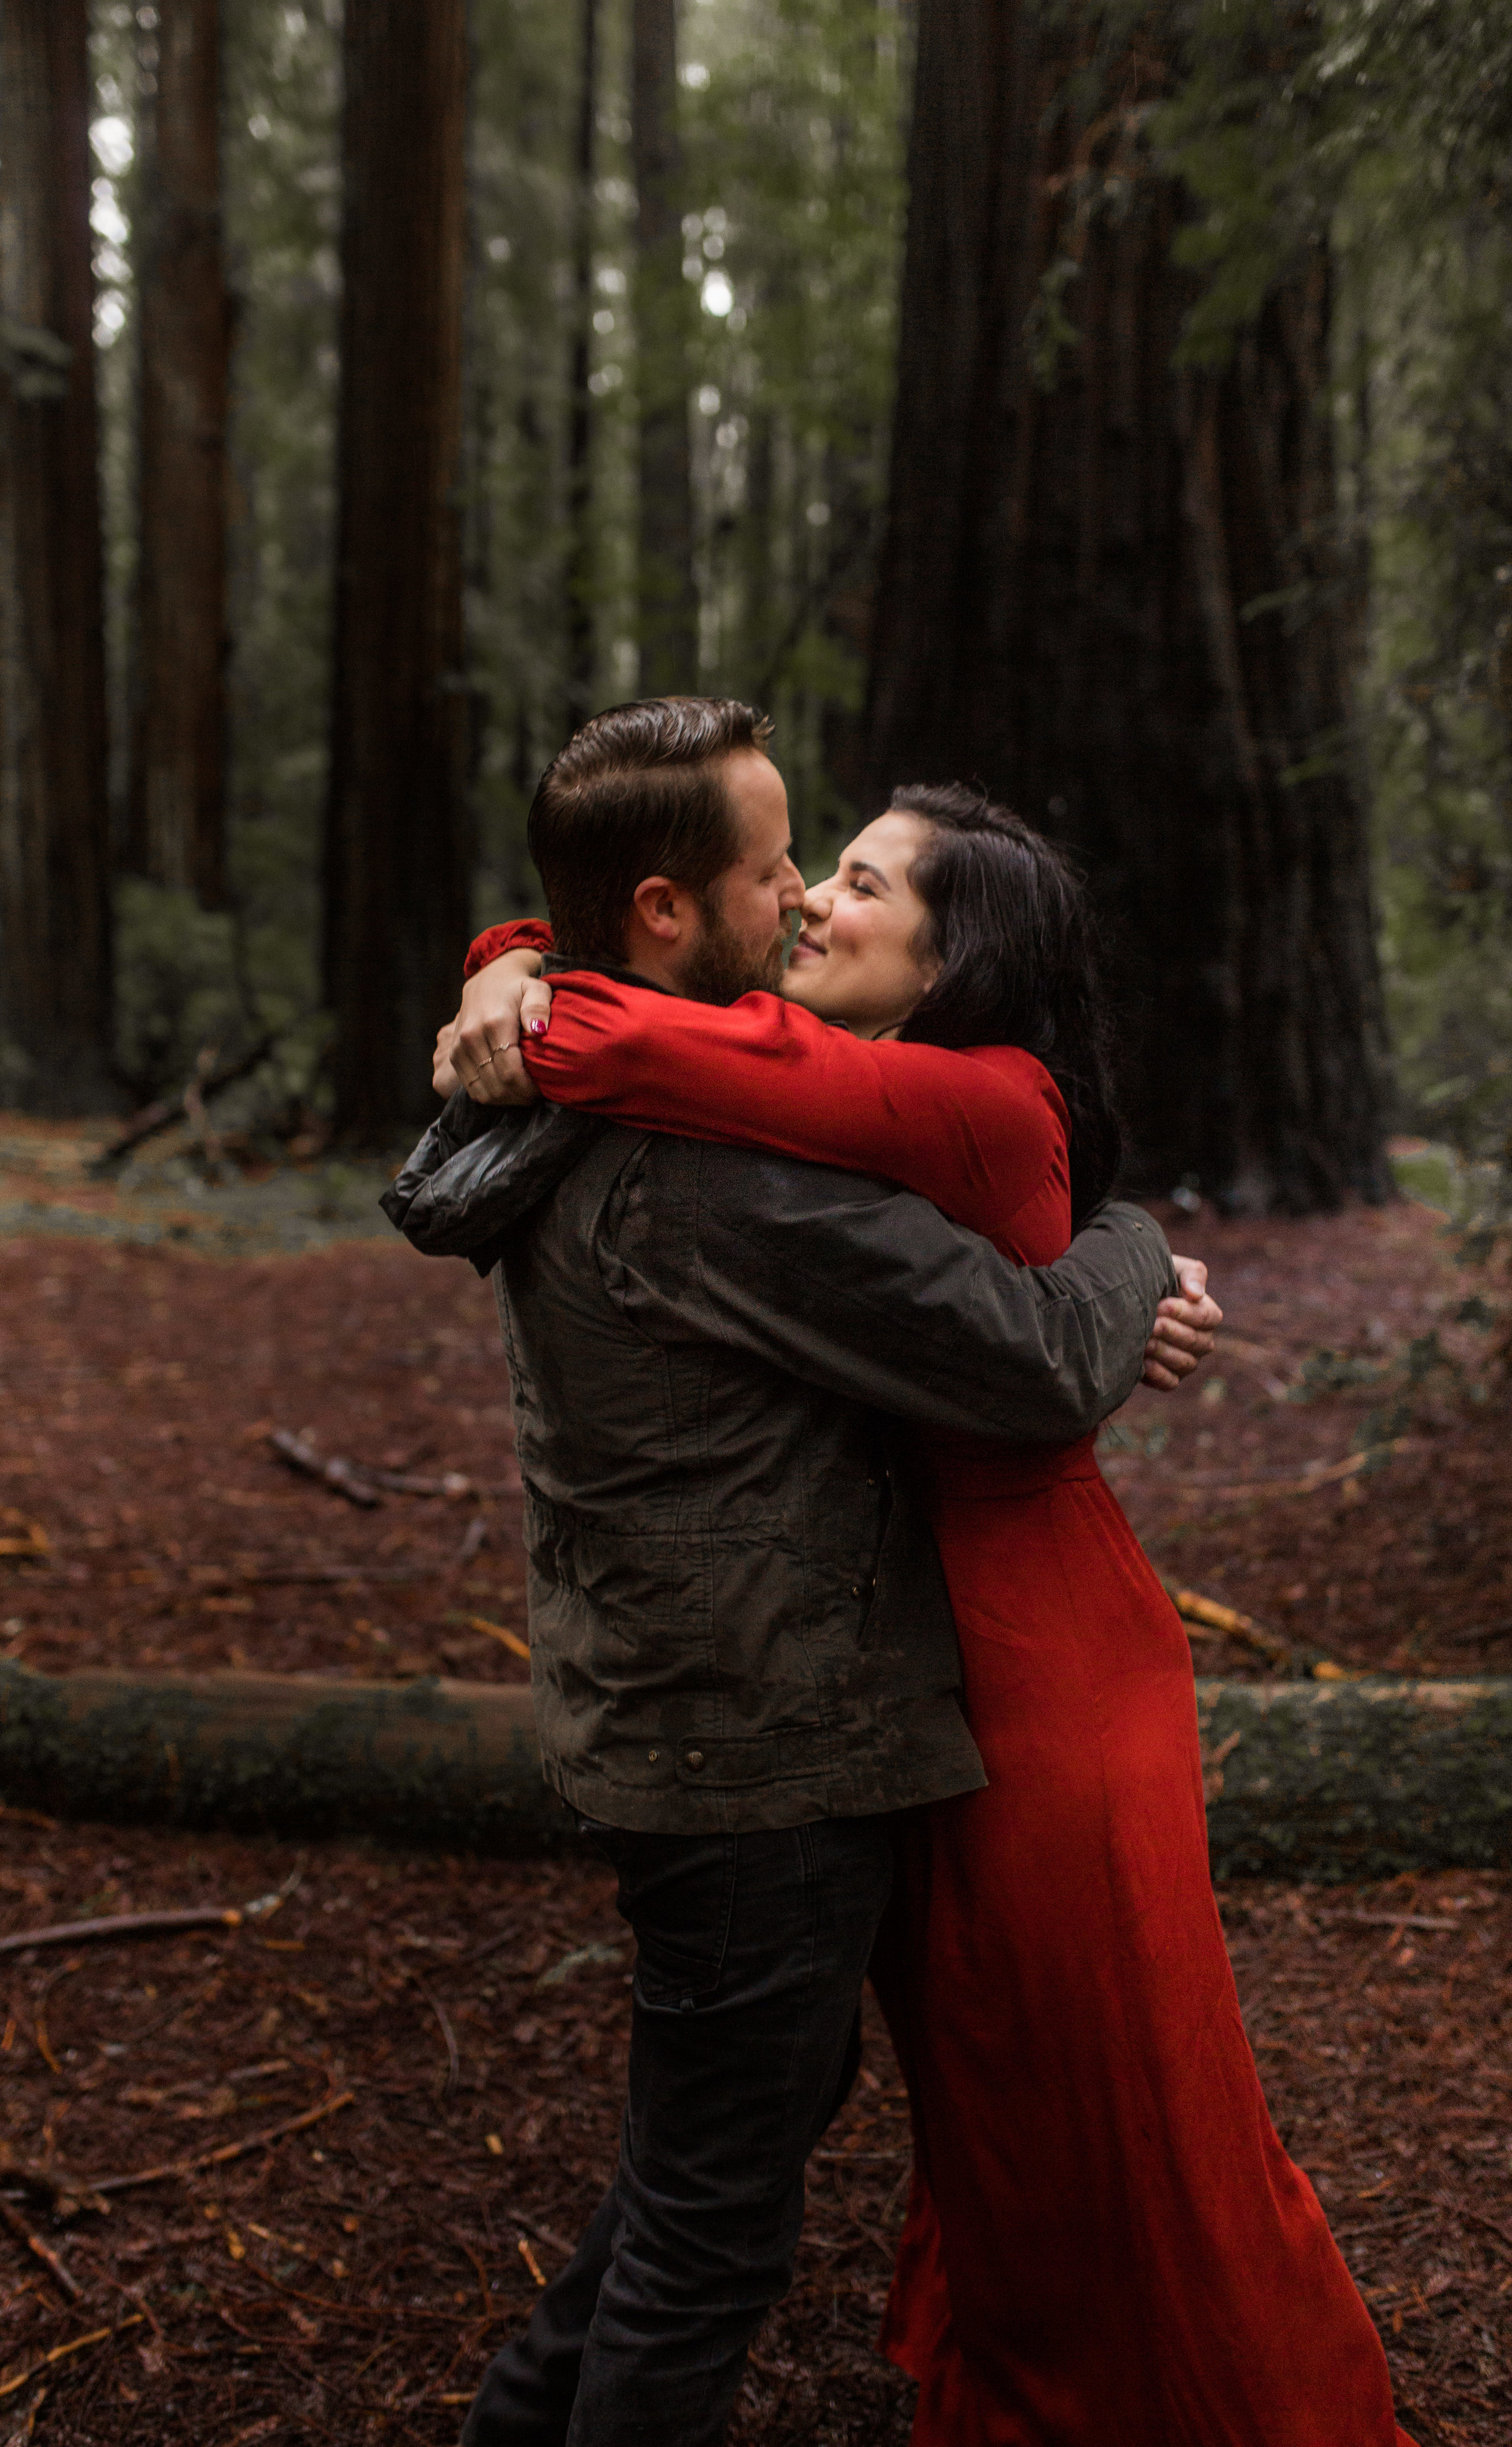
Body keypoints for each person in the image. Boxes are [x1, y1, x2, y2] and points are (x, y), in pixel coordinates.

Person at [444, 765, 1417, 2444]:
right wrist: (508, 956)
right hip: (920, 1657)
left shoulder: (949, 1095)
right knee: (994, 2095)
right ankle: (1035, 2377)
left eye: (865, 886)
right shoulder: (862, 1088)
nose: (817, 893)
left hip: (1036, 1665)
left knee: (1111, 2090)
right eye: (804, 871)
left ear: (954, 963)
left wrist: (531, 1008)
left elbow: (689, 1046)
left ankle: (1205, 2392)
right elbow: (725, 1030)